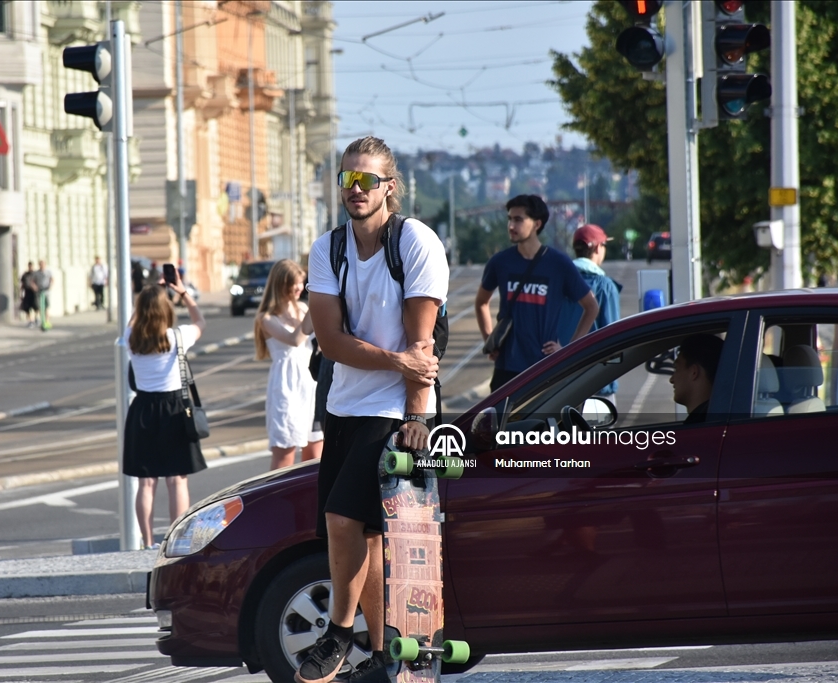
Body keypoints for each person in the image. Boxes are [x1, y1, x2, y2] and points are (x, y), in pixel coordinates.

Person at [302, 136, 447, 683]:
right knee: (361, 536)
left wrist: (416, 416)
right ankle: (388, 656)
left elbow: (423, 346)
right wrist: (397, 362)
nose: (355, 190)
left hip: (392, 412)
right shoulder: (328, 249)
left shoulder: (414, 242)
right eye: (347, 179)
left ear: (391, 186)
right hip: (342, 406)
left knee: (343, 519)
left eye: (367, 180)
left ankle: (338, 633)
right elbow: (332, 343)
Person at [475, 194, 599, 392]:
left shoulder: (558, 264)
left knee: (542, 423)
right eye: (509, 219)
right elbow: (481, 302)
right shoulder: (500, 263)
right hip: (507, 367)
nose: (511, 225)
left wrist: (568, 349)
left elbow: (591, 306)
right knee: (499, 423)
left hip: (545, 366)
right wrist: (490, 340)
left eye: (518, 219)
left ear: (536, 224)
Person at [122, 274, 207, 549]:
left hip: (143, 410)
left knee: (146, 483)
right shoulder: (176, 337)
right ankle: (177, 540)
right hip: (173, 410)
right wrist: (181, 292)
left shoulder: (132, 337)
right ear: (166, 311)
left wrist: (148, 295)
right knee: (176, 480)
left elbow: (133, 321)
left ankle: (147, 541)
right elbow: (200, 322)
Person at [254, 259, 322, 470]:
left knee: (315, 456)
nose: (299, 288)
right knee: (285, 455)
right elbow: (294, 339)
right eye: (294, 283)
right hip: (286, 388)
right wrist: (317, 304)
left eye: (301, 282)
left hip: (311, 385)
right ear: (280, 285)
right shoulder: (266, 318)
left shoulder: (302, 308)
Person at [557, 224, 622, 401]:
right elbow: (612, 338)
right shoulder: (605, 286)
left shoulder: (556, 283)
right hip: (596, 384)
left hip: (559, 384)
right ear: (598, 247)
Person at [671, 333, 724, 425]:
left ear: (693, 372)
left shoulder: (701, 428)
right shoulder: (717, 419)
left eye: (676, 368)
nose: (671, 379)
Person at [34, 260, 53, 331]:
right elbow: (33, 281)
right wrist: (35, 287)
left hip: (46, 291)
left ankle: (47, 321)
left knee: (46, 307)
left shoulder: (48, 272)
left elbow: (52, 279)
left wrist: (50, 286)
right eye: (40, 264)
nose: (42, 266)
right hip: (39, 291)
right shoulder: (37, 273)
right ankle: (42, 321)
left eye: (43, 264)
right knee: (40, 307)